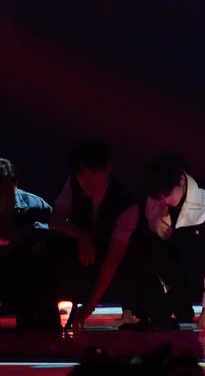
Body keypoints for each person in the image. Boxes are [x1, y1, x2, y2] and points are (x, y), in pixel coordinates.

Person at [142, 152, 205, 332]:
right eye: (160, 197)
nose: (164, 200)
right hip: (178, 282)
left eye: (167, 194)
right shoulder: (155, 201)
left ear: (181, 181)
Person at [49, 141, 142, 329]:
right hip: (82, 258)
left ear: (107, 168)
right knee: (55, 245)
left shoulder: (126, 203)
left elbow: (113, 259)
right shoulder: (73, 184)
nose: (87, 182)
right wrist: (81, 236)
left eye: (93, 174)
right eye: (83, 176)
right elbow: (55, 220)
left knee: (135, 261)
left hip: (114, 266)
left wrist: (89, 307)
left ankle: (131, 311)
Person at [0, 157, 55, 328]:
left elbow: (53, 239)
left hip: (26, 274)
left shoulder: (36, 206)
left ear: (14, 183)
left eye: (4, 190)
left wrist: (22, 240)